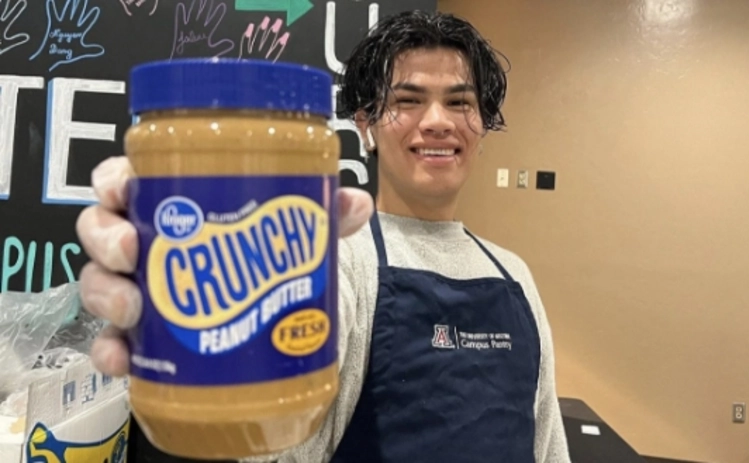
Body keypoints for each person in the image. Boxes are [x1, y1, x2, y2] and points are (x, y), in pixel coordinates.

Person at [75, 10, 571, 463]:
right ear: (366, 124)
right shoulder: (332, 260)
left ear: (482, 123)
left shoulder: (514, 276)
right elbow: (267, 445)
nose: (437, 121)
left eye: (459, 102)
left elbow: (548, 447)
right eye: (408, 100)